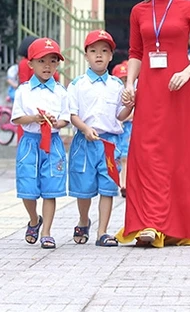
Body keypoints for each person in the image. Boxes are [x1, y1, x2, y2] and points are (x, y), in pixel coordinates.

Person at [117, 0, 190, 247]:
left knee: (177, 157)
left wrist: (186, 72)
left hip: (178, 90)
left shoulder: (189, 7)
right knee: (146, 154)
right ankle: (148, 223)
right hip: (150, 91)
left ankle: (176, 224)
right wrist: (130, 84)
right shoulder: (139, 11)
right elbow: (136, 52)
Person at [67, 30, 134, 247]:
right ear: (85, 55)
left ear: (111, 56)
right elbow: (72, 114)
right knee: (84, 187)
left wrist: (131, 105)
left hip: (109, 145)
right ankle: (83, 220)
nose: (99, 55)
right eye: (93, 51)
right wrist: (85, 128)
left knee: (108, 187)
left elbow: (120, 116)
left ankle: (102, 231)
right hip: (84, 141)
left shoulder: (117, 85)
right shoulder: (78, 84)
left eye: (104, 51)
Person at [11, 37, 70, 250]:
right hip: (30, 142)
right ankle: (34, 220)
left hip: (52, 143)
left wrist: (57, 122)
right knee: (27, 188)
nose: (47, 66)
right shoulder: (23, 91)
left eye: (53, 61)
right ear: (30, 64)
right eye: (41, 61)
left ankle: (46, 232)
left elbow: (66, 118)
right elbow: (17, 118)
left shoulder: (62, 92)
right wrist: (33, 119)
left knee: (51, 188)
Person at [112, 61, 133, 196]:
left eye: (126, 79)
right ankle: (116, 181)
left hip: (128, 128)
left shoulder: (132, 94)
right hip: (114, 130)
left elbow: (133, 112)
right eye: (121, 79)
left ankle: (124, 184)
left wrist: (122, 118)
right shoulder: (111, 94)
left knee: (126, 156)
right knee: (115, 157)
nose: (124, 82)